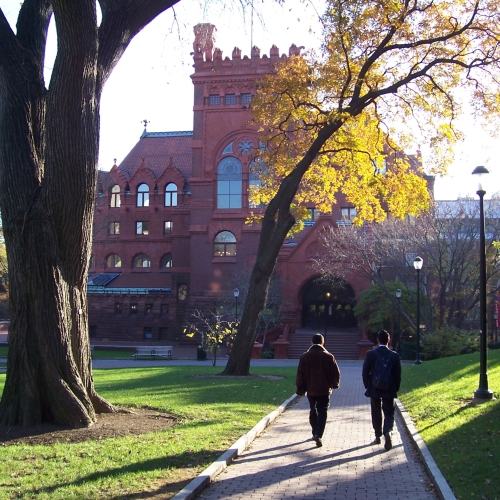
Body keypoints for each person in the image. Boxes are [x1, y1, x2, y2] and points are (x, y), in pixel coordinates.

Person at [296, 333, 341, 447]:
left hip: (310, 389)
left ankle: (314, 431)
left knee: (313, 409)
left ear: (311, 342)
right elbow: (336, 373)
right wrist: (334, 384)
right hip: (324, 389)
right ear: (322, 343)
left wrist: (300, 388)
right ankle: (319, 434)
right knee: (322, 411)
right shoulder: (329, 356)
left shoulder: (304, 356)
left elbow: (300, 374)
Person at [362, 329, 402, 451]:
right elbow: (397, 375)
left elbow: (365, 373)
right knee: (389, 412)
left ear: (378, 340)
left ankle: (378, 435)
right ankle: (388, 431)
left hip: (374, 387)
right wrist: (395, 388)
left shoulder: (370, 354)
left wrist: (368, 385)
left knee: (376, 411)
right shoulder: (394, 356)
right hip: (389, 388)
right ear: (388, 340)